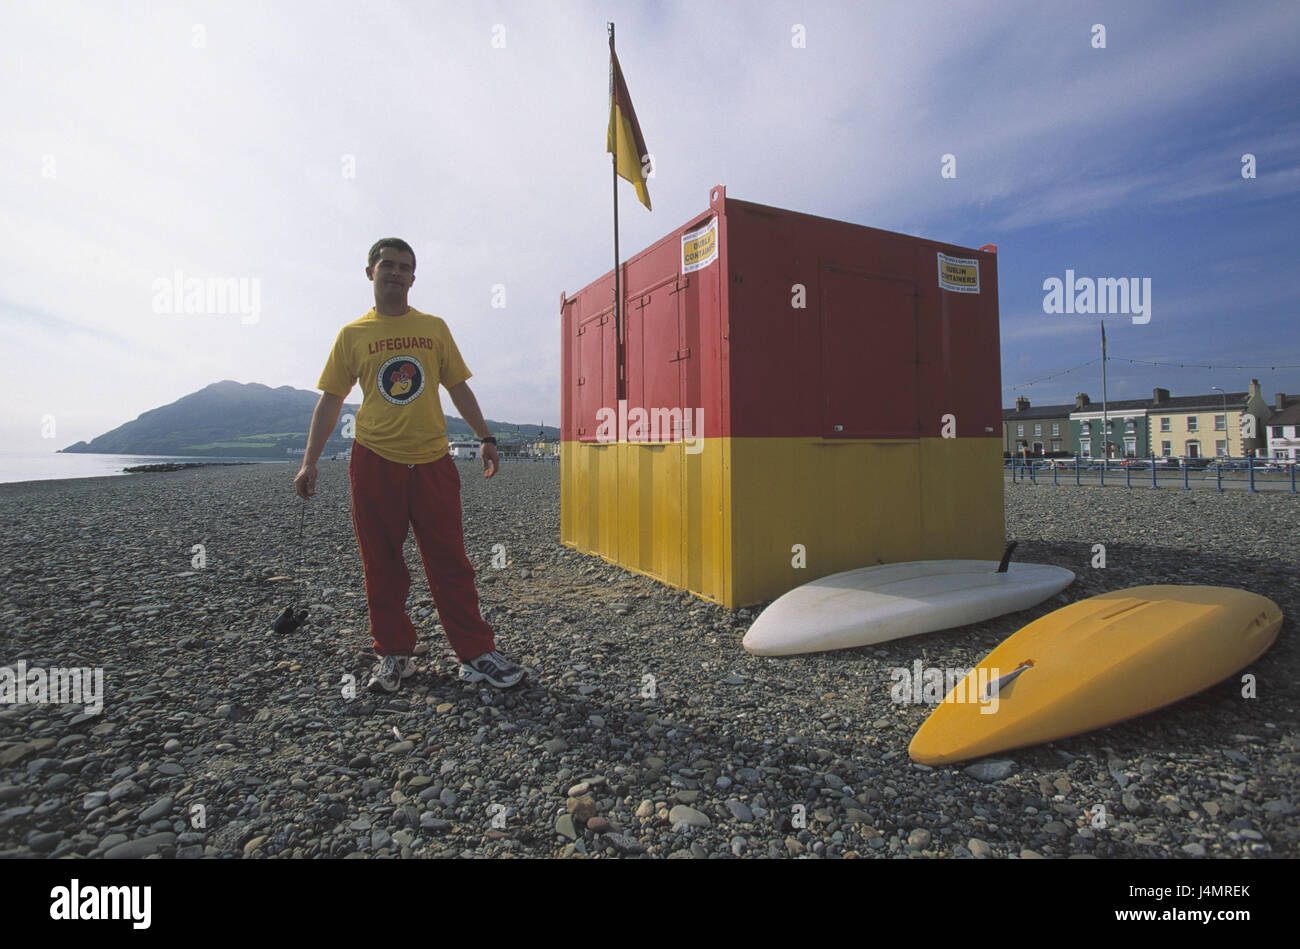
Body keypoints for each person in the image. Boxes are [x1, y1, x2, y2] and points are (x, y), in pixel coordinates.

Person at [293, 238, 525, 692]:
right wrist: (309, 463)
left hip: (433, 459)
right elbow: (329, 401)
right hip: (374, 458)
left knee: (450, 561)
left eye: (404, 267)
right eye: (387, 265)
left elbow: (458, 388)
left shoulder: (434, 328)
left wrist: (486, 437)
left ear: (413, 277)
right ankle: (395, 654)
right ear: (370, 272)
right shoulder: (352, 335)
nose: (395, 273)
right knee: (381, 562)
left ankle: (476, 653)